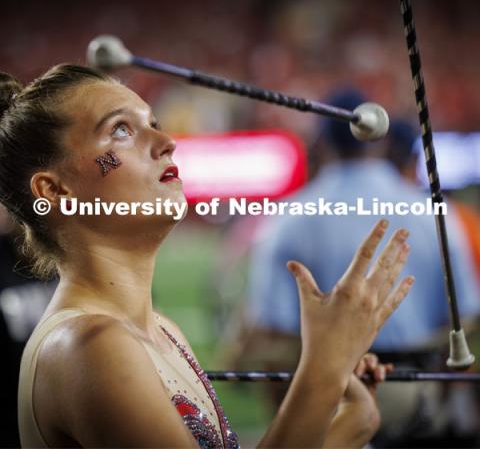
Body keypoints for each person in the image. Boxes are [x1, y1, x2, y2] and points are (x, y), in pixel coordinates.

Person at [0, 66, 413, 448]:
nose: (166, 143)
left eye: (153, 124)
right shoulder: (88, 348)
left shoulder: (162, 331)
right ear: (55, 192)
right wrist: (323, 370)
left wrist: (350, 419)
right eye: (121, 130)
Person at [238, 90, 480, 445]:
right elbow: (463, 319)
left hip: (329, 397)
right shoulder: (435, 212)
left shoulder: (290, 216)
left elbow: (274, 332)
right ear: (379, 138)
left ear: (321, 143)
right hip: (419, 393)